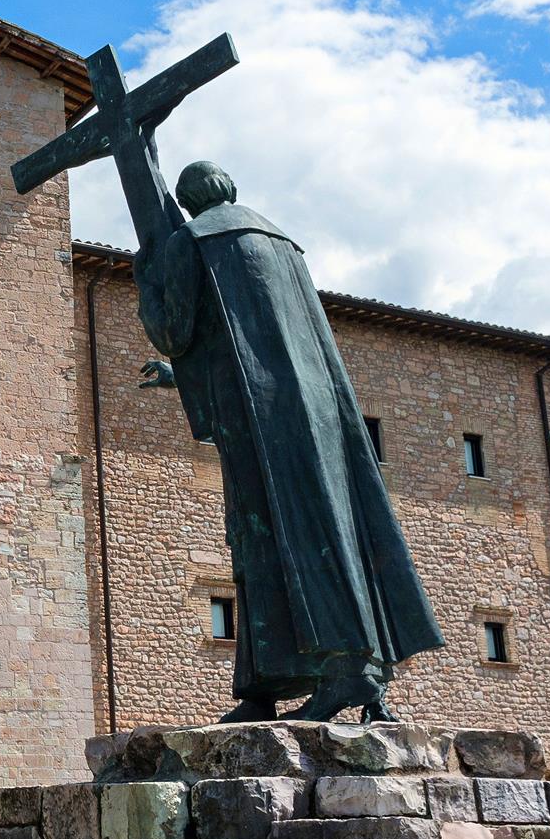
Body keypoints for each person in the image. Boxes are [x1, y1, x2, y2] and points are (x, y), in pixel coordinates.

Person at [134, 161, 444, 722]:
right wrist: (183, 377)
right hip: (315, 411)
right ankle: (285, 685)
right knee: (325, 529)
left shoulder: (192, 241)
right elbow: (252, 343)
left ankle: (346, 674)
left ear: (187, 202)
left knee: (270, 537)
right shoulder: (283, 245)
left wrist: (145, 279)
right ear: (231, 189)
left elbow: (174, 330)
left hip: (260, 421)